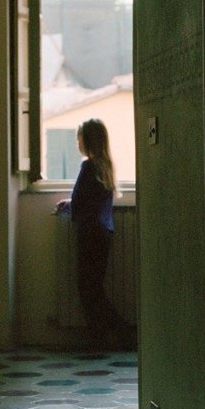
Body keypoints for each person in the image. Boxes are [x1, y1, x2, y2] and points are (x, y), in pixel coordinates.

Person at [56, 118, 129, 347]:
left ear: (87, 141)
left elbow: (80, 200)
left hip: (89, 233)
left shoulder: (88, 167)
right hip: (103, 232)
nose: (77, 144)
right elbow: (92, 200)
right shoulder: (105, 166)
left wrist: (70, 205)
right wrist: (72, 203)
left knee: (88, 288)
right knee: (94, 287)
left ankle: (113, 332)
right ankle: (109, 333)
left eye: (79, 139)